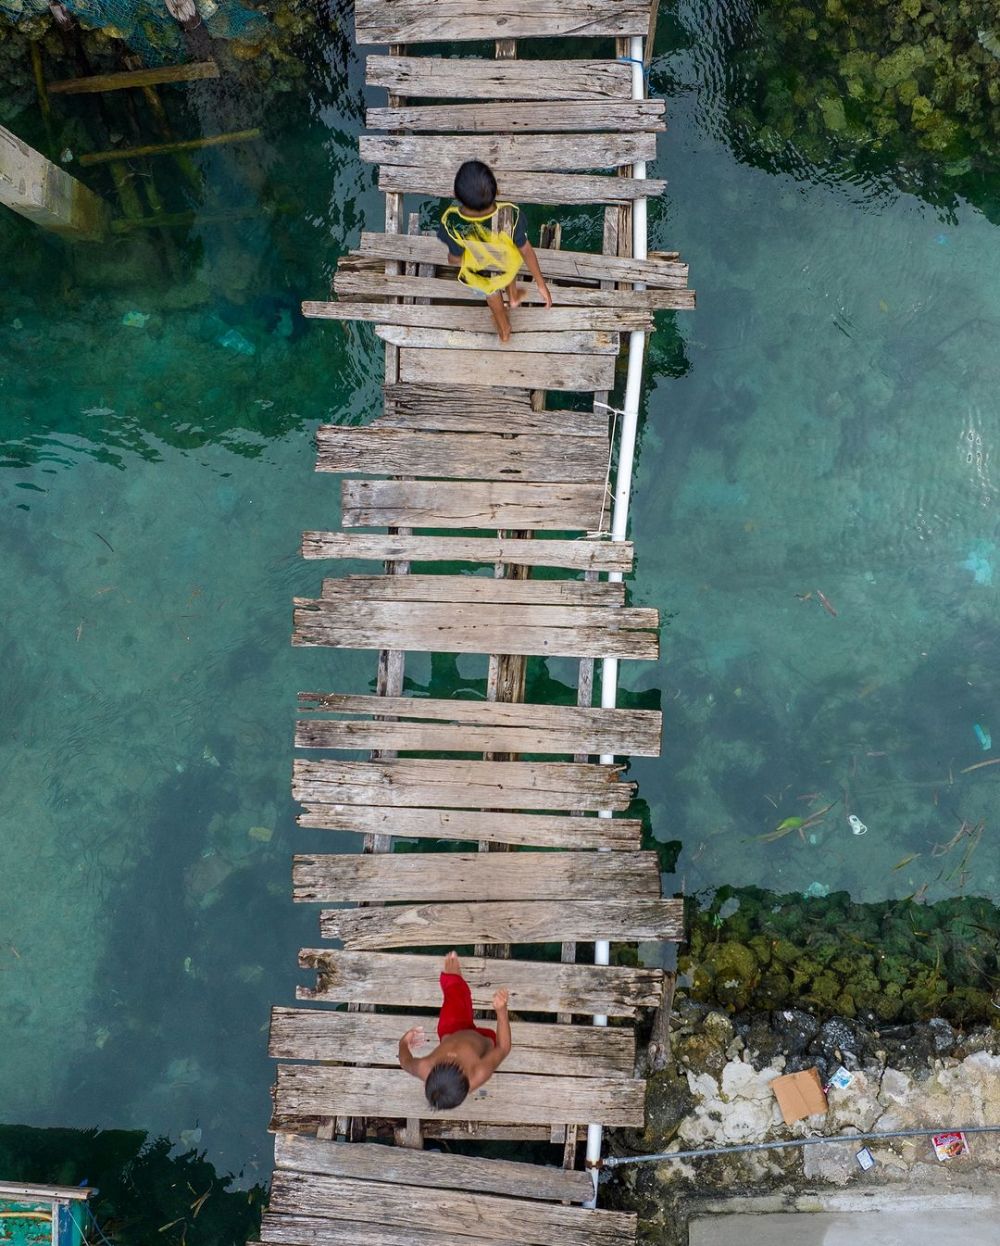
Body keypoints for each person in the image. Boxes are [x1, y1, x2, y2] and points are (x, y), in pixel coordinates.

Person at [437, 160, 553, 342]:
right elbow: (525, 249)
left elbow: (455, 258)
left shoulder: (451, 222)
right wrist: (540, 284)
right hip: (507, 266)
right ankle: (513, 298)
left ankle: (505, 330)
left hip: (481, 276)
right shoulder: (510, 213)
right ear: (497, 191)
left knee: (492, 295)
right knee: (506, 269)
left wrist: (453, 259)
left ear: (455, 195)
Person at [398, 950, 512, 1110]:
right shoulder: (479, 1073)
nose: (452, 1056)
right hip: (483, 1040)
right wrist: (501, 1011)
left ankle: (454, 980)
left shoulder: (424, 1067)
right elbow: (503, 1048)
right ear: (467, 1079)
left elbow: (405, 1062)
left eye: (445, 1063)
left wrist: (403, 1043)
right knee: (494, 1044)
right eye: (457, 1065)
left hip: (452, 1030)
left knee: (454, 989)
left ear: (430, 1074)